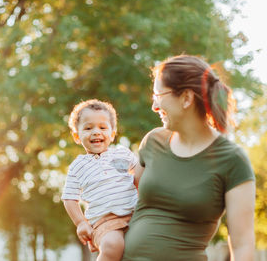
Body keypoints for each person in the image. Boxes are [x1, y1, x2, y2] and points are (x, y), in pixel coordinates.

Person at [122, 55, 256, 261]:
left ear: (186, 98)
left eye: (159, 95)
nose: (154, 106)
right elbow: (125, 202)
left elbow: (243, 245)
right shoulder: (153, 141)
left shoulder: (232, 160)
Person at [61, 99, 139, 261]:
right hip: (104, 221)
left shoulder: (122, 154)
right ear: (77, 136)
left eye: (102, 128)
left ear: (112, 133)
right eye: (88, 128)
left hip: (136, 213)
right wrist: (81, 223)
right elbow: (69, 199)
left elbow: (140, 174)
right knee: (113, 246)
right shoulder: (78, 166)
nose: (96, 132)